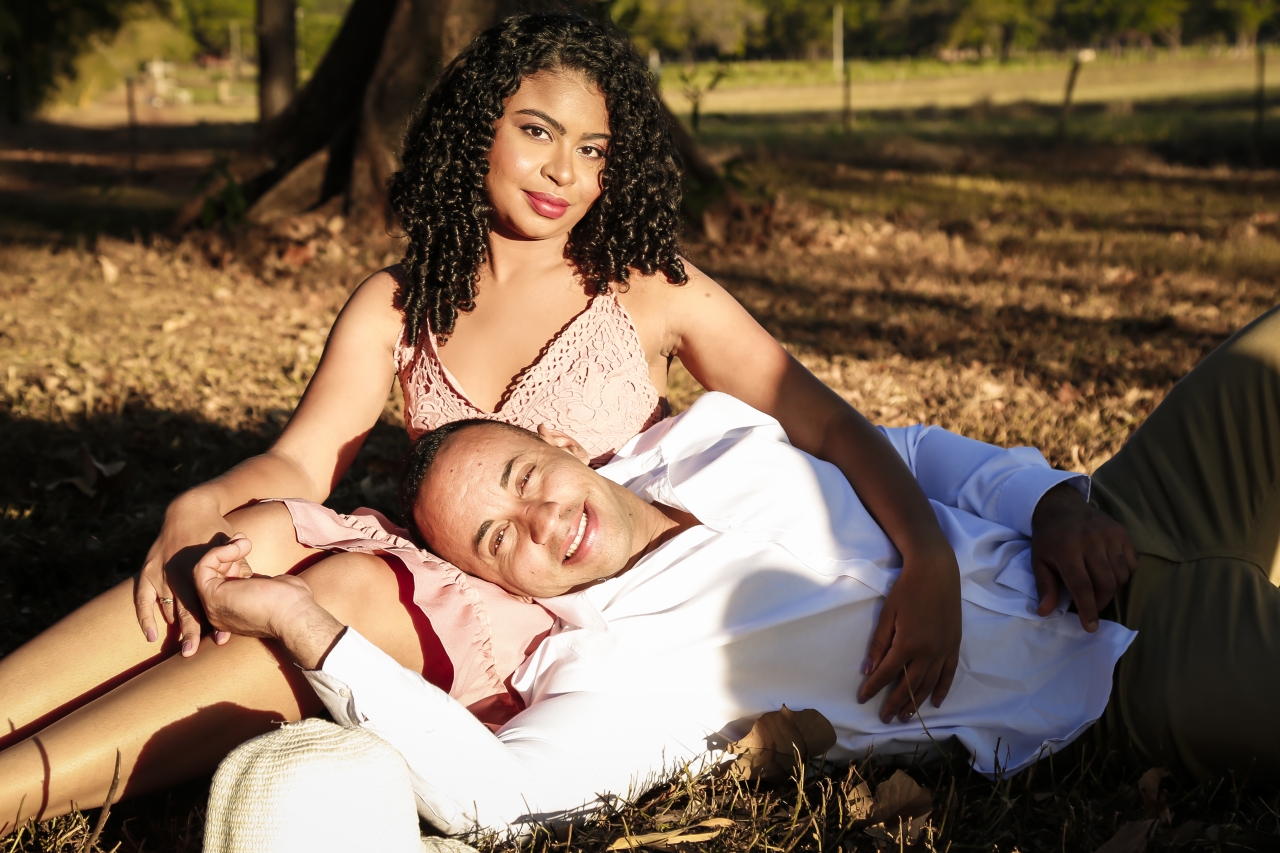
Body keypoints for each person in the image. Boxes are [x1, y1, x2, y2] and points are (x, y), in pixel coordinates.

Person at [0, 14, 1014, 831]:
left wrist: (925, 554)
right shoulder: (398, 302)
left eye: (591, 148)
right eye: (536, 131)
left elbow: (826, 422)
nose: (563, 170)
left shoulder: (645, 288)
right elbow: (304, 462)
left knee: (350, 589)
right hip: (443, 550)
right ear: (475, 128)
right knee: (253, 534)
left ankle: (16, 791)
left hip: (554, 611)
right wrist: (204, 503)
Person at [190, 305, 1280, 839]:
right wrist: (300, 621)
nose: (542, 519)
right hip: (1124, 678)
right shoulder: (612, 669)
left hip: (1127, 510)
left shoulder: (705, 435)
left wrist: (1048, 501)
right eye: (497, 539)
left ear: (562, 446)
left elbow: (910, 453)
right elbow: (500, 796)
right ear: (499, 586)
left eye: (525, 478)